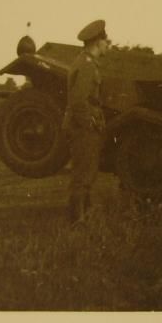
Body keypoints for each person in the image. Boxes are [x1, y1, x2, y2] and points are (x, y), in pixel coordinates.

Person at [62, 19, 111, 224]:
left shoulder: (85, 62)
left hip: (83, 126)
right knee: (82, 174)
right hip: (83, 128)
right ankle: (77, 221)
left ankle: (85, 215)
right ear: (97, 42)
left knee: (86, 172)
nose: (108, 44)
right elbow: (78, 101)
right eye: (106, 41)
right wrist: (88, 125)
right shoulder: (87, 66)